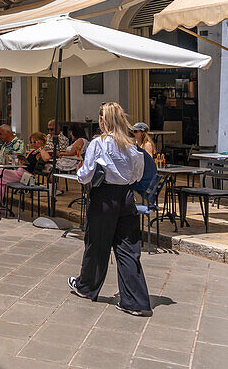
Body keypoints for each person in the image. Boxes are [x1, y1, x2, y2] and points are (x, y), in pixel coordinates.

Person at [68, 102, 152, 317]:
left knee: (97, 244)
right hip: (126, 197)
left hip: (104, 196)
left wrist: (81, 176)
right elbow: (138, 176)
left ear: (103, 120)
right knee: (128, 249)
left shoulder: (99, 143)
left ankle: (87, 287)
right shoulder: (132, 146)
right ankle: (135, 301)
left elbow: (85, 174)